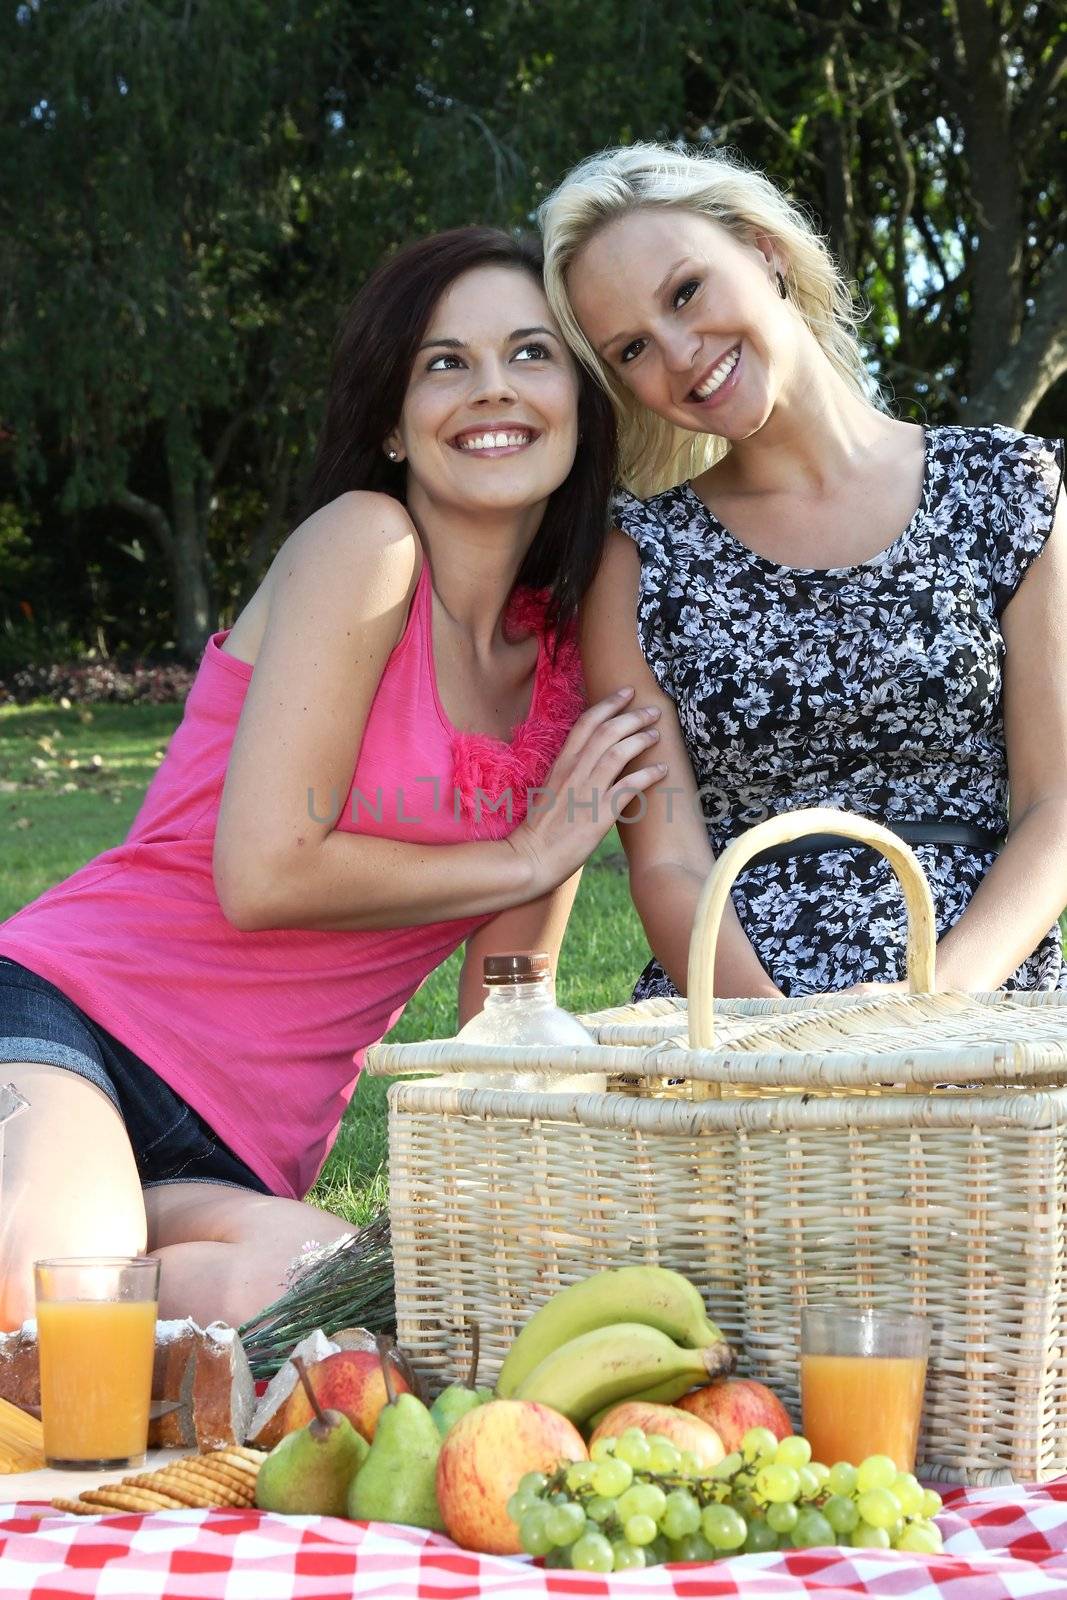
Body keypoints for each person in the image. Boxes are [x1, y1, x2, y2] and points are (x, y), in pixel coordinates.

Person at [0, 227, 667, 1330]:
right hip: (75, 1019)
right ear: (391, 424)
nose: (489, 389)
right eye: (442, 362)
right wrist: (524, 851)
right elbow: (262, 871)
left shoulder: (564, 675)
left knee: (354, 1309)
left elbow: (502, 1013)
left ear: (583, 404)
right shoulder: (364, 545)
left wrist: (511, 1236)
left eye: (531, 354)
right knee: (45, 1279)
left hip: (239, 1150)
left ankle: (94, 1279)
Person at [538, 142, 1067, 1004]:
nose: (676, 352)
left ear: (762, 249)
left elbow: (1056, 809)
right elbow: (668, 864)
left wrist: (933, 1005)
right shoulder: (638, 560)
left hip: (982, 1003)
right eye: (631, 348)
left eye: (685, 292)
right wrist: (782, 1050)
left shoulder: (1007, 489)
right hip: (737, 1023)